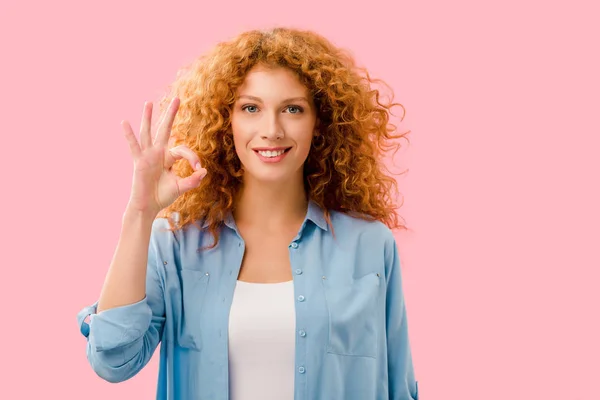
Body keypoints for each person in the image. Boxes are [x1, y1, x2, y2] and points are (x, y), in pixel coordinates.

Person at [76, 27, 419, 400]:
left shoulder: (369, 244)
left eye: (292, 109)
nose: (271, 130)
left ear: (319, 122)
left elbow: (398, 385)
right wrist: (140, 214)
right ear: (228, 122)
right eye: (251, 108)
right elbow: (112, 360)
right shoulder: (176, 243)